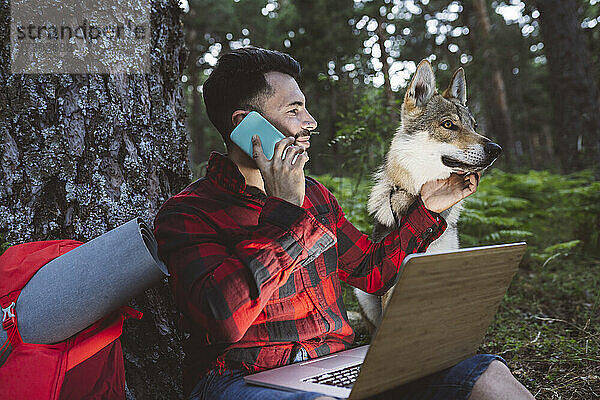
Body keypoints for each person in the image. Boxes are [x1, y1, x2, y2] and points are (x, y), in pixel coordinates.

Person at [153, 47, 534, 400]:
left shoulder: (317, 196)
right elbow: (223, 318)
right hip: (241, 380)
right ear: (247, 125)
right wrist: (284, 213)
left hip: (336, 368)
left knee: (487, 375)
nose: (311, 122)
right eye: (294, 110)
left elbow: (372, 272)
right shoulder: (188, 213)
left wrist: (427, 211)